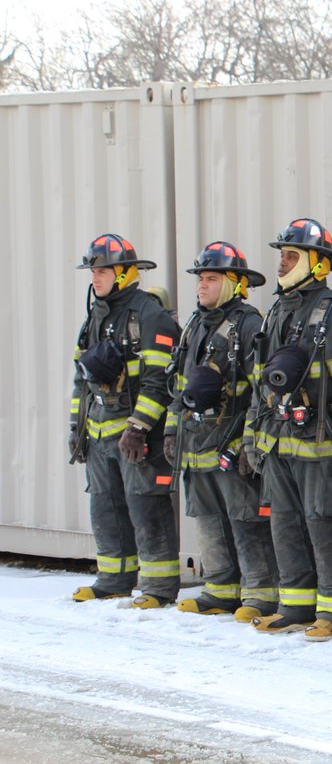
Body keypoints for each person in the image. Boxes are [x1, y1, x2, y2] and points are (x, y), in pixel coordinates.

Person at [243, 218, 332, 640]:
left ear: (318, 264)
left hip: (322, 447)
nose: (281, 264)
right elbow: (258, 381)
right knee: (284, 522)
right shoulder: (278, 310)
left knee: (326, 524)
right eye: (281, 255)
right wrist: (252, 436)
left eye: (290, 256)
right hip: (279, 442)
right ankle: (295, 605)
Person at [165, 241, 278, 622]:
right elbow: (179, 384)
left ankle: (260, 593)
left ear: (233, 283)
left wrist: (248, 442)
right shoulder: (195, 325)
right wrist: (170, 430)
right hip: (195, 445)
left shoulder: (249, 325)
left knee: (245, 519)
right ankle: (219, 589)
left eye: (211, 279)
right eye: (200, 278)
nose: (202, 285)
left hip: (229, 444)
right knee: (208, 518)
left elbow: (263, 391)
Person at [69, 234, 181, 608]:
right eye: (92, 271)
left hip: (137, 439)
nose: (94, 278)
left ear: (125, 273)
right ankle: (114, 579)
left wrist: (138, 427)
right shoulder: (95, 316)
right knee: (106, 506)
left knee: (146, 506)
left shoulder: (149, 315)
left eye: (102, 271)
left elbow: (160, 381)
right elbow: (81, 379)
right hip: (99, 433)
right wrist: (77, 429)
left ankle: (159, 587)